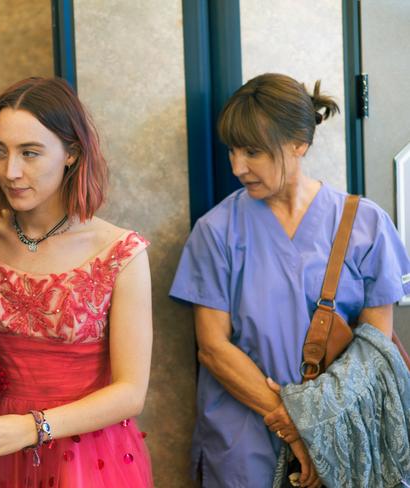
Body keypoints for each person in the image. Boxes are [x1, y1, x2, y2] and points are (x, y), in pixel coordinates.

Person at [169, 73, 410, 488]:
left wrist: (317, 425)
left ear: (299, 143)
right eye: (232, 151)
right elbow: (212, 347)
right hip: (243, 440)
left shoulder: (365, 223)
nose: (237, 167)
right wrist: (296, 428)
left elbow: (375, 344)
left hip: (340, 437)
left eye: (253, 152)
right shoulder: (216, 231)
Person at [0, 77, 153, 487]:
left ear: (71, 153)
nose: (11, 171)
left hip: (87, 452)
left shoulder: (120, 252)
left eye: (30, 153)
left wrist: (30, 428)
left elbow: (131, 391)